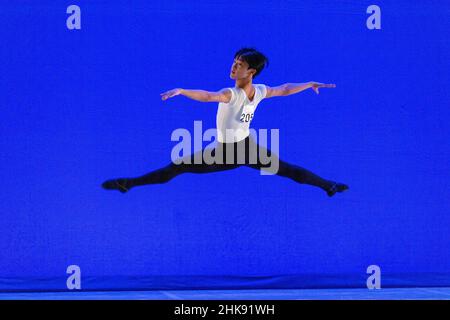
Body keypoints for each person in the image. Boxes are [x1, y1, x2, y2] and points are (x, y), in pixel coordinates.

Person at [102, 48, 349, 197]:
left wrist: (181, 91)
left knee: (177, 166)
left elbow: (210, 96)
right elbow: (282, 89)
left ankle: (329, 185)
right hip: (242, 149)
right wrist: (308, 85)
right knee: (288, 169)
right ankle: (329, 185)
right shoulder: (259, 90)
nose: (233, 67)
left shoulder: (235, 94)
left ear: (251, 71)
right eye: (234, 62)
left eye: (239, 65)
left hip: (232, 153)